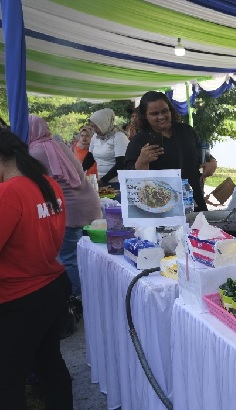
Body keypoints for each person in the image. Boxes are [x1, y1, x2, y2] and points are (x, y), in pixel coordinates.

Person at [0, 128, 74, 409]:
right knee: (50, 364)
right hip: (50, 288)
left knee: (7, 380)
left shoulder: (8, 192)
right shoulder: (46, 183)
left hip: (18, 299)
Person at [28, 115, 101, 300]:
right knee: (88, 255)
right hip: (89, 202)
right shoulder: (56, 143)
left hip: (71, 209)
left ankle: (78, 298)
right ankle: (93, 293)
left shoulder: (35, 151)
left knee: (68, 257)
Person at [124, 91, 218, 211]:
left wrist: (212, 162)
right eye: (154, 114)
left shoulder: (186, 131)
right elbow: (130, 181)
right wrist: (142, 161)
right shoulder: (139, 141)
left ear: (170, 110)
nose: (161, 116)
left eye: (164, 111)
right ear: (145, 116)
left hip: (194, 204)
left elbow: (202, 154)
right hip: (162, 211)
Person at [84, 108, 129, 188]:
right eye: (92, 127)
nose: (94, 130)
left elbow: (121, 164)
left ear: (104, 124)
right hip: (103, 181)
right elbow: (90, 157)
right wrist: (80, 172)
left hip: (117, 182)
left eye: (96, 127)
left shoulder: (119, 137)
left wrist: (103, 180)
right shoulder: (96, 137)